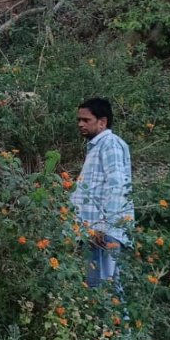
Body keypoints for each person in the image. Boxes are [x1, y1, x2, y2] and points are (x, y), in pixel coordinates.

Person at [70, 98, 134, 289]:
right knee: (107, 290)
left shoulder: (110, 144)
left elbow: (118, 187)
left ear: (102, 122)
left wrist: (103, 226)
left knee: (101, 289)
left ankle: (113, 319)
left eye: (86, 120)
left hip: (102, 231)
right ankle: (117, 319)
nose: (80, 124)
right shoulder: (97, 147)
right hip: (94, 230)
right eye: (79, 119)